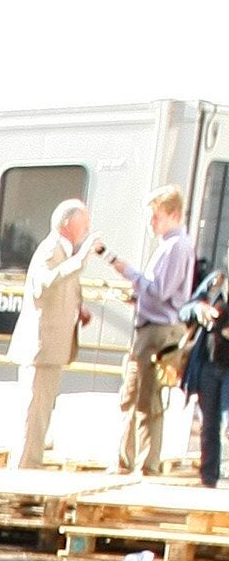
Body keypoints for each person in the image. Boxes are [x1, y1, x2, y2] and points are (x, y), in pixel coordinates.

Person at [107, 185, 195, 472]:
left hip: (158, 330)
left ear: (174, 215)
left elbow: (161, 292)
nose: (150, 224)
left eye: (156, 217)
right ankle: (126, 459)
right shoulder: (170, 247)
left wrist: (129, 272)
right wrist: (137, 293)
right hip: (152, 326)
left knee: (146, 398)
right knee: (132, 395)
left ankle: (146, 464)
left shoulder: (176, 247)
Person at [6, 201, 98, 469]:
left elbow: (58, 288)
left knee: (41, 412)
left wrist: (77, 309)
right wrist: (80, 261)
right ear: (68, 223)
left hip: (49, 348)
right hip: (40, 347)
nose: (87, 228)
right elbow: (44, 283)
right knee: (34, 413)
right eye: (84, 222)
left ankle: (29, 467)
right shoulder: (51, 249)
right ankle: (24, 472)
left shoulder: (63, 251)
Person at [182, 262, 229, 487]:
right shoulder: (215, 282)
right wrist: (199, 309)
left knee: (227, 424)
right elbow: (185, 309)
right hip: (209, 364)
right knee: (208, 425)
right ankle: (208, 478)